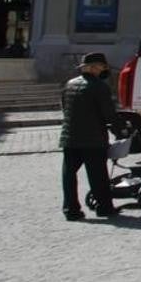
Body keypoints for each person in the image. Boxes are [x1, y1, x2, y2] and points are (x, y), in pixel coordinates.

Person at [60, 52, 120, 220]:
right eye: (102, 67)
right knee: (98, 175)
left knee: (69, 175)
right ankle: (104, 207)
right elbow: (109, 114)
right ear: (95, 67)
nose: (103, 70)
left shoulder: (69, 84)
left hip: (69, 137)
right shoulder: (99, 87)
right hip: (93, 139)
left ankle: (70, 209)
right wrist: (120, 129)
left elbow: (65, 108)